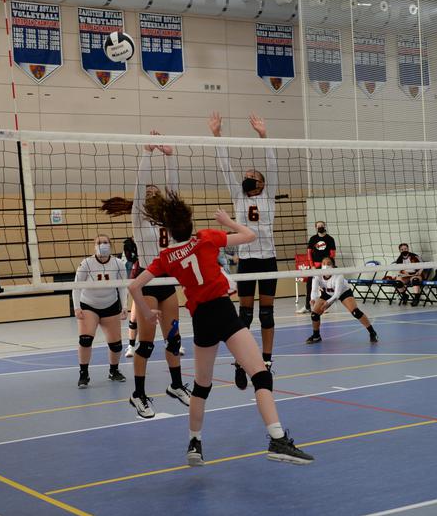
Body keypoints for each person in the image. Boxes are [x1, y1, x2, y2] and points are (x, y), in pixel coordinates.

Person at [128, 190, 313, 465]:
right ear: (190, 223)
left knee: (202, 387)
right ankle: (277, 439)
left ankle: (194, 443)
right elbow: (250, 236)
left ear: (168, 229)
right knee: (260, 375)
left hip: (201, 318)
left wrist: (145, 311)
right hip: (223, 311)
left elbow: (133, 285)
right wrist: (228, 221)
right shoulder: (206, 238)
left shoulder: (166, 257)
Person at [101, 139, 189, 418]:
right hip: (147, 280)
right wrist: (147, 154)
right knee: (147, 343)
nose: (151, 194)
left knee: (173, 338)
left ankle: (176, 386)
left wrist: (170, 158)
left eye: (155, 192)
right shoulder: (139, 218)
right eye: (148, 193)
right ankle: (138, 394)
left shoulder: (168, 219)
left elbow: (173, 191)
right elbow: (139, 188)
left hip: (167, 280)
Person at [209, 111, 279, 390]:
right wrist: (217, 136)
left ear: (261, 183)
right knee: (246, 315)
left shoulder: (269, 196)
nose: (247, 178)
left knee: (267, 315)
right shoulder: (238, 196)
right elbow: (225, 167)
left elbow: (272, 166)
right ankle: (240, 362)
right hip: (247, 261)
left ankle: (267, 361)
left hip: (268, 259)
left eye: (253, 176)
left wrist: (263, 136)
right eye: (246, 176)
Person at [73, 235, 128, 388]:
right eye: (98, 243)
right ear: (94, 246)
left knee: (116, 345)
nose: (102, 245)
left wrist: (124, 306)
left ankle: (114, 371)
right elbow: (76, 286)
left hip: (110, 305)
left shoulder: (118, 264)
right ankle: (83, 374)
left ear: (110, 245)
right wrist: (77, 307)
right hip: (89, 305)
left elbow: (123, 286)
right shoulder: (86, 263)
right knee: (85, 339)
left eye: (105, 242)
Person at [305, 256, 377, 344]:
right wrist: (313, 299)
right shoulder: (317, 275)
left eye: (328, 264)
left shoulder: (338, 275)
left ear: (333, 266)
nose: (326, 266)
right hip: (327, 292)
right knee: (314, 315)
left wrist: (327, 303)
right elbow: (314, 290)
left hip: (343, 292)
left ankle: (372, 332)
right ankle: (316, 336)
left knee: (355, 312)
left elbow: (337, 295)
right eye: (323, 263)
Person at [299, 221, 336, 314]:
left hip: (325, 267)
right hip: (314, 267)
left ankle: (324, 306)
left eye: (321, 226)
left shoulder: (330, 239)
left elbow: (332, 254)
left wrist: (327, 265)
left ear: (324, 226)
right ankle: (307, 306)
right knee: (309, 286)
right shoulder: (313, 239)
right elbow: (309, 253)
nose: (320, 227)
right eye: (318, 226)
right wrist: (312, 266)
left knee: (325, 287)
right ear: (316, 227)